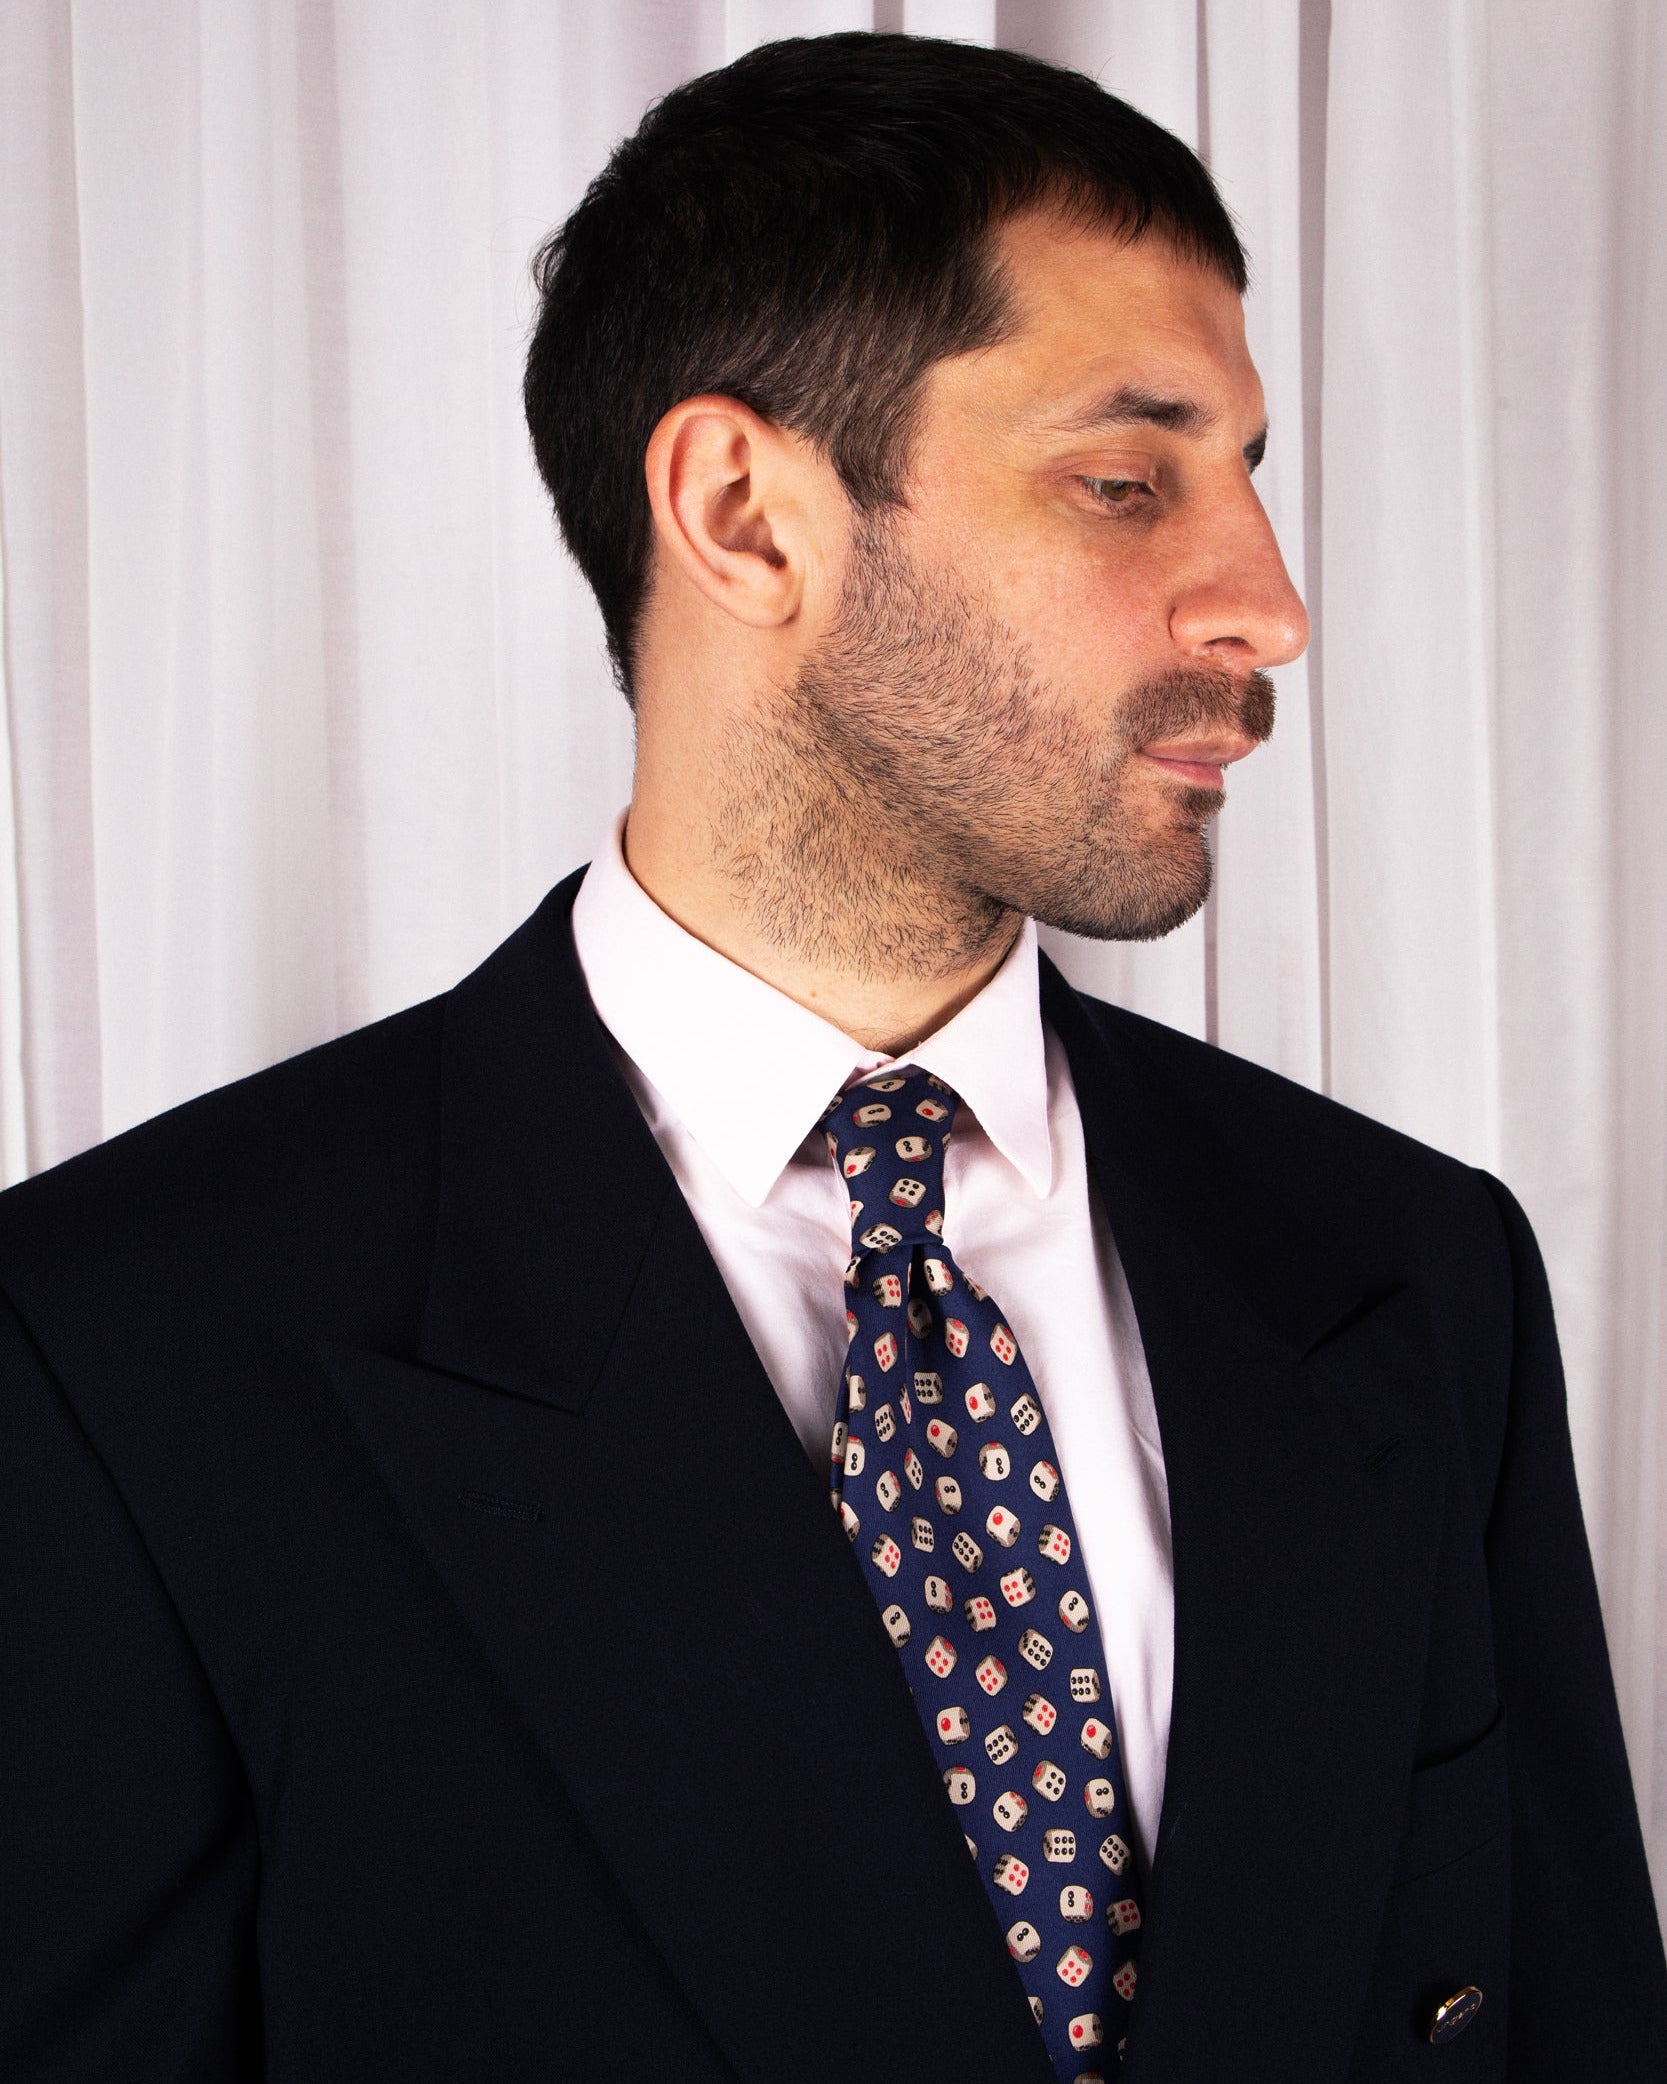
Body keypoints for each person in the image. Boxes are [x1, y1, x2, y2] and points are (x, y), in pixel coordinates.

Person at [0, 29, 1661, 2083]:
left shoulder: (1415, 1266)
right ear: (747, 516)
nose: (1269, 608)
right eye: (1127, 480)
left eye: (1250, 475)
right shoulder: (121, 1347)